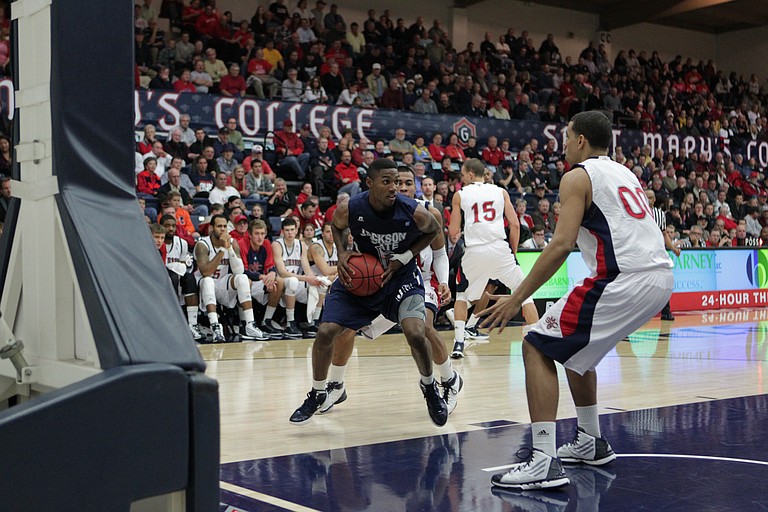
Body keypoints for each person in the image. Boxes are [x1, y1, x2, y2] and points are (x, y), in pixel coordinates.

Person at [480, 111, 674, 490]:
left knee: (535, 345)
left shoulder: (577, 176)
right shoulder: (624, 173)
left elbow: (561, 244)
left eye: (567, 138)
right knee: (572, 349)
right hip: (660, 278)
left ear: (581, 140)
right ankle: (589, 441)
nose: (563, 145)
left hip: (624, 278)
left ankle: (542, 460)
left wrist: (516, 298)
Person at [289, 158, 448, 426]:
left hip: (400, 279)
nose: (393, 187)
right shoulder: (351, 208)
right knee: (327, 331)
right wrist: (341, 253)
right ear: (370, 183)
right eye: (387, 181)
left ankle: (429, 386)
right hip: (361, 276)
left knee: (416, 332)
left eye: (396, 182)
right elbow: (337, 227)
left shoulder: (412, 211)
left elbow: (434, 230)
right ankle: (318, 392)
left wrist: (406, 256)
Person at [447, 158, 540, 358]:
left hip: (475, 251)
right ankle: (538, 339)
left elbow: (453, 232)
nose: (462, 179)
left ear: (471, 174)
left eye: (463, 175)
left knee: (461, 296)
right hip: (499, 248)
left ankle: (458, 344)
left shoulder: (460, 195)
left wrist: (458, 232)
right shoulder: (501, 191)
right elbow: (515, 225)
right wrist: (512, 253)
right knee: (525, 295)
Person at [193, 214, 270, 343]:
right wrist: (223, 249)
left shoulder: (233, 243)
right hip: (203, 287)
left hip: (222, 284)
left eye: (225, 226)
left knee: (242, 278)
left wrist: (229, 248)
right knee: (208, 281)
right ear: (211, 228)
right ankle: (215, 326)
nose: (223, 229)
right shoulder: (202, 244)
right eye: (219, 226)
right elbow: (206, 272)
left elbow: (239, 270)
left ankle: (250, 324)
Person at [272, 217, 325, 338]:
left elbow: (306, 268)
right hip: (281, 281)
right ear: (282, 231)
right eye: (287, 230)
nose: (290, 233)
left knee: (321, 282)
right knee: (293, 281)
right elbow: (282, 272)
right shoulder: (277, 244)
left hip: (297, 280)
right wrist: (306, 278)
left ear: (296, 230)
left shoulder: (301, 245)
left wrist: (314, 278)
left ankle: (314, 322)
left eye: (292, 230)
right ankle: (290, 322)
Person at [156, 215, 203, 341]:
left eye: (173, 226)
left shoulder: (182, 243)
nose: (170, 229)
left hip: (177, 275)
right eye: (167, 226)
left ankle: (192, 324)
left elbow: (185, 265)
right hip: (163, 277)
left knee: (189, 278)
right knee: (172, 278)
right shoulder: (157, 243)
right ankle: (173, 319)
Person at [239, 219, 286, 339]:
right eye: (256, 233)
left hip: (261, 280)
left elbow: (270, 266)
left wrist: (271, 274)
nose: (260, 237)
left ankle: (267, 321)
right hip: (246, 279)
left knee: (279, 282)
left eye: (262, 233)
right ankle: (244, 322)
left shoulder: (266, 244)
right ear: (249, 234)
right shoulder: (242, 244)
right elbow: (242, 270)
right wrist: (262, 276)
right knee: (245, 281)